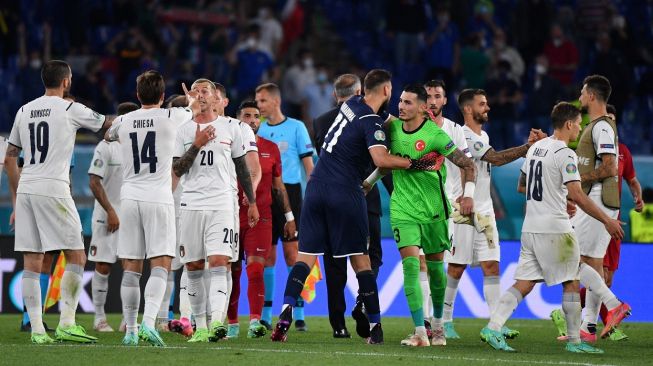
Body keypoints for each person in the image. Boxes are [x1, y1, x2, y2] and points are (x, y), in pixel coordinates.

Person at [270, 69, 442, 344]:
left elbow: (391, 120)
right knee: (361, 260)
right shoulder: (370, 122)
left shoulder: (351, 105)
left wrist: (416, 123)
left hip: (315, 189)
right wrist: (415, 162)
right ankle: (375, 328)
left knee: (305, 258)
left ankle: (285, 313)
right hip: (345, 192)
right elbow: (381, 159)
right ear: (387, 91)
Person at [480, 102, 622, 353]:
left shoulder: (536, 148)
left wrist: (556, 195)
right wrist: (606, 220)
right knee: (571, 280)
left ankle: (493, 326)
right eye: (578, 124)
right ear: (568, 124)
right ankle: (576, 341)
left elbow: (523, 184)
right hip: (555, 228)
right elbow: (578, 195)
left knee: (524, 283)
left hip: (530, 227)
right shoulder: (565, 153)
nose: (579, 128)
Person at [7, 60, 111, 344]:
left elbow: (10, 156)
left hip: (27, 188)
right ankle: (67, 322)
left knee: (31, 259)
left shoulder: (24, 110)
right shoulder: (69, 107)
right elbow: (107, 126)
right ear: (66, 81)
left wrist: (17, 199)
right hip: (54, 187)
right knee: (77, 255)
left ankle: (38, 331)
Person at [367, 84, 476, 347]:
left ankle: (438, 326)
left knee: (437, 271)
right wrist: (369, 182)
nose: (401, 107)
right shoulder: (391, 130)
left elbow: (468, 164)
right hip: (403, 208)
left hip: (434, 210)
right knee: (411, 267)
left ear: (423, 108)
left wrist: (469, 193)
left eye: (407, 103)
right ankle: (420, 331)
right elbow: (387, 162)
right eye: (400, 102)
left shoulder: (435, 136)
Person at [106, 70, 199, 347]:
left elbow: (109, 134)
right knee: (161, 264)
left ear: (137, 95)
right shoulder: (172, 116)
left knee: (131, 268)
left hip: (129, 198)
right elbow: (191, 109)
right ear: (162, 96)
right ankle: (148, 322)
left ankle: (131, 331)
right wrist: (190, 99)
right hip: (158, 197)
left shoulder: (124, 120)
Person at [442, 88, 545, 339]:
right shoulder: (464, 135)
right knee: (457, 266)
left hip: (484, 210)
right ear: (468, 109)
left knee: (491, 265)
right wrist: (528, 147)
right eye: (482, 104)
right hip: (463, 209)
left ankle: (495, 322)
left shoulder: (483, 134)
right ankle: (444, 320)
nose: (487, 108)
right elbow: (496, 159)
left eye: (486, 103)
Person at [172, 79, 259, 343]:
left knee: (220, 262)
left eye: (205, 90)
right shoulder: (184, 131)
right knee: (195, 266)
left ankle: (218, 323)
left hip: (222, 203)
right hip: (191, 204)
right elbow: (177, 170)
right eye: (196, 91)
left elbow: (242, 168)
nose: (200, 94)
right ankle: (200, 327)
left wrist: (252, 201)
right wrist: (197, 144)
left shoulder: (231, 127)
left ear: (216, 97)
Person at [312, 74, 391, 338]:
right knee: (371, 258)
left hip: (330, 198)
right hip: (364, 199)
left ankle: (339, 324)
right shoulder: (373, 117)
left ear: (335, 95)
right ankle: (364, 305)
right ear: (360, 91)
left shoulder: (321, 121)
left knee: (334, 261)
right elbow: (382, 159)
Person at [568, 75, 631, 341]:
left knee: (567, 256)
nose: (580, 96)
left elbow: (608, 167)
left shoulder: (602, 127)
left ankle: (614, 304)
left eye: (583, 92)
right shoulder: (595, 125)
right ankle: (588, 327)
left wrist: (580, 180)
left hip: (596, 201)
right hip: (598, 201)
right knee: (593, 263)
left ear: (591, 95)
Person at [226, 100, 296, 338]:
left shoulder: (271, 148)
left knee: (256, 268)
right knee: (232, 270)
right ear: (237, 119)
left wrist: (289, 217)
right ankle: (232, 323)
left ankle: (255, 321)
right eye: (247, 116)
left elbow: (278, 187)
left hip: (261, 218)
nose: (253, 120)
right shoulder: (226, 145)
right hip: (231, 215)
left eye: (257, 116)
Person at [255, 83, 314, 330]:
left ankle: (297, 313)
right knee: (268, 256)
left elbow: (309, 168)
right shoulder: (257, 130)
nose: (259, 105)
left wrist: (314, 198)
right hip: (265, 196)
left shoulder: (297, 127)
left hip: (291, 194)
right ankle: (267, 314)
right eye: (257, 101)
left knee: (293, 255)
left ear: (276, 101)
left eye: (262, 101)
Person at [421, 79, 471, 340]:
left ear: (444, 100)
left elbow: (466, 164)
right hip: (416, 206)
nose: (432, 100)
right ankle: (423, 324)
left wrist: (466, 196)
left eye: (437, 96)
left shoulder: (455, 130)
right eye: (428, 95)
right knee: (418, 263)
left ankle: (435, 319)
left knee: (435, 265)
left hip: (444, 205)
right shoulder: (413, 127)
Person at [88, 101, 138, 332]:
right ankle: (99, 318)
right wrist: (110, 211)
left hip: (130, 213)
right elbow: (94, 181)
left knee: (131, 265)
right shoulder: (105, 147)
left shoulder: (137, 146)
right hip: (107, 215)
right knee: (103, 265)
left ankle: (128, 320)